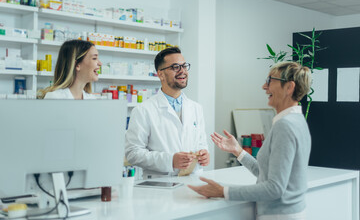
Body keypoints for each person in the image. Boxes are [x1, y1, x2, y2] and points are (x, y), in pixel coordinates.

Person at [188, 62, 312, 220]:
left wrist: (223, 191)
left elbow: (274, 188)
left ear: (289, 87)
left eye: (270, 81)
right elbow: (265, 174)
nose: (263, 87)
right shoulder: (297, 120)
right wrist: (238, 151)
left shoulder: (285, 126)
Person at [125, 47, 210, 179]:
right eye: (175, 67)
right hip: (160, 186)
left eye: (184, 66)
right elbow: (133, 153)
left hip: (193, 181)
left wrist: (204, 154)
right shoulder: (143, 110)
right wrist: (170, 160)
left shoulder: (196, 108)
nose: (182, 71)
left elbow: (201, 143)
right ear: (161, 74)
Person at [37, 40, 102, 99]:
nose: (100, 63)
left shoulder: (91, 99)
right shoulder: (55, 97)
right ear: (77, 65)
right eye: (94, 58)